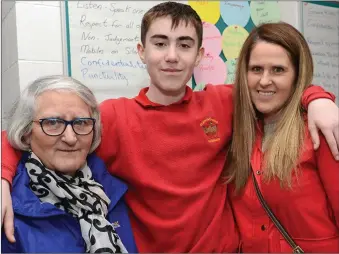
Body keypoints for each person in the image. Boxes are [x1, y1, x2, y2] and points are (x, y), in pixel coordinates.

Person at [2, 2, 339, 252]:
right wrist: (2, 176)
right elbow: (34, 135)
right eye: (160, 43)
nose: (172, 56)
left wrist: (318, 98)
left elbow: (277, 87)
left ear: (200, 55)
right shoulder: (114, 116)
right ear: (142, 51)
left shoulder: (223, 103)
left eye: (185, 45)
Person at [226, 22, 339, 252]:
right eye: (256, 69)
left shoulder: (319, 131)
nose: (264, 80)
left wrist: (316, 96)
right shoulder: (239, 130)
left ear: (298, 76)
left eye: (278, 70)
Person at [1, 76, 137, 253]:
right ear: (26, 132)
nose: (71, 138)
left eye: (81, 123)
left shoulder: (112, 189)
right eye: (52, 123)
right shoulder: (8, 201)